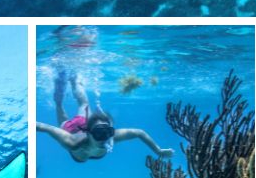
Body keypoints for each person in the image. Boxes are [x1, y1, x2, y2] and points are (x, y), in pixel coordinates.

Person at [37, 70, 173, 163]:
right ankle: (63, 89)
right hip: (72, 128)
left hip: (87, 122)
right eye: (98, 133)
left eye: (108, 132)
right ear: (89, 133)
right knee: (61, 107)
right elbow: (45, 127)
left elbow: (139, 132)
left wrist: (158, 151)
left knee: (85, 103)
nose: (104, 138)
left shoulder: (109, 137)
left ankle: (74, 79)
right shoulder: (71, 142)